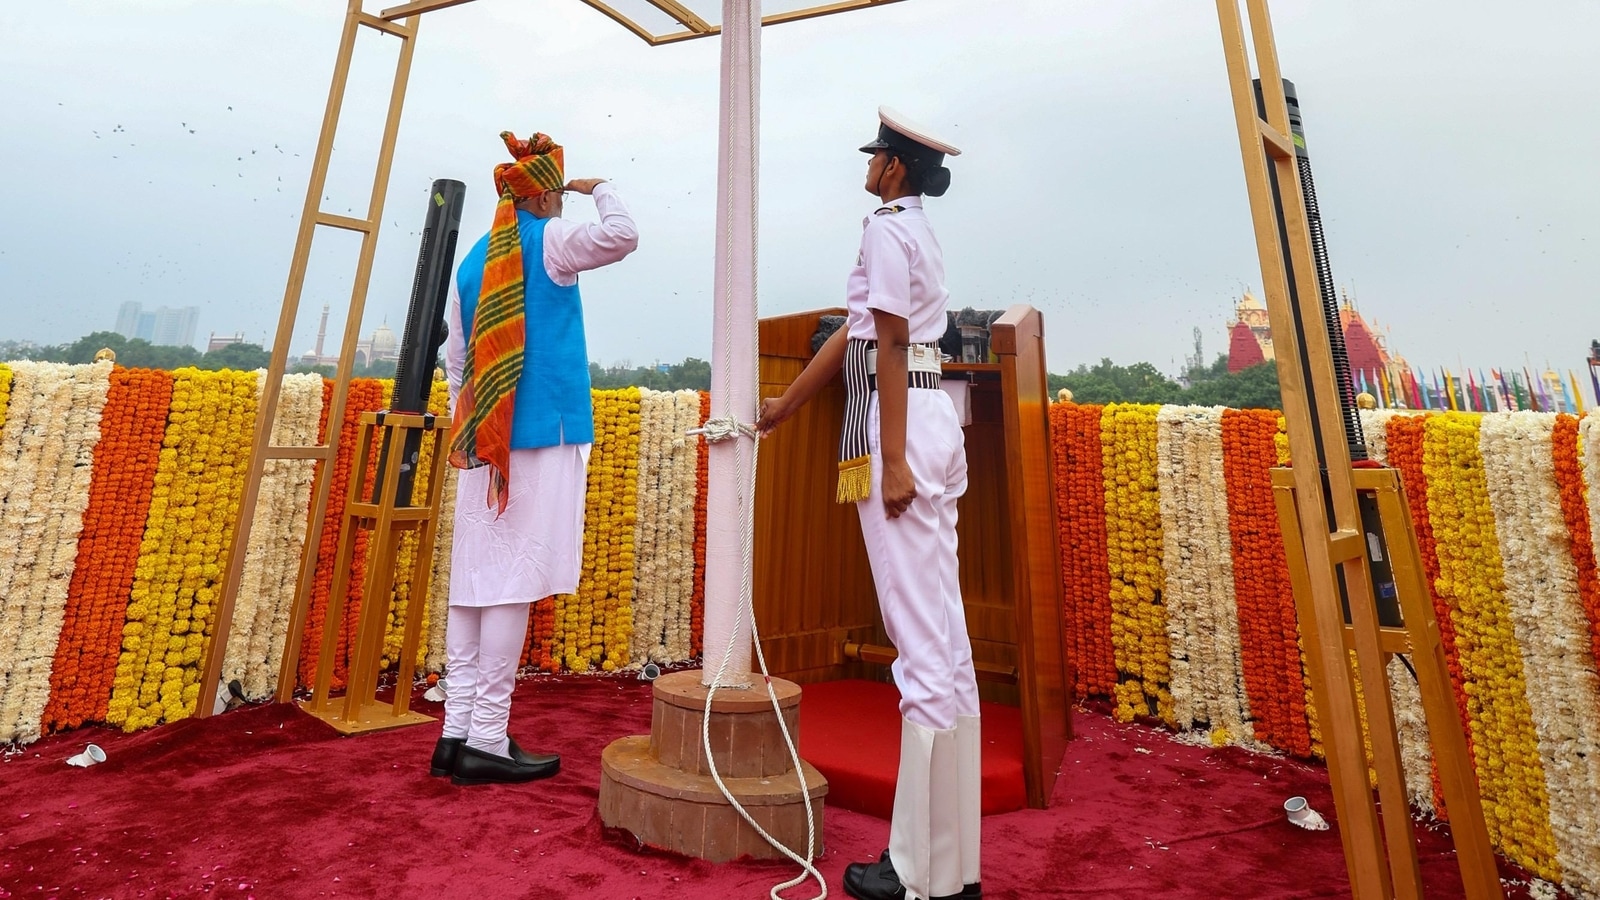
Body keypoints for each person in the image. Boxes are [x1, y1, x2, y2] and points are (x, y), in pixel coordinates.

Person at [757, 107, 981, 900]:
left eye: (877, 154)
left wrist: (888, 464)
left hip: (899, 435)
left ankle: (919, 875)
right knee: (944, 641)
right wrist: (783, 407)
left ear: (894, 168)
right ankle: (952, 866)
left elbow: (885, 342)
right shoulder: (912, 228)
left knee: (922, 649)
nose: (870, 163)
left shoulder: (885, 228)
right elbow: (855, 335)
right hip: (918, 423)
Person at [432, 131, 639, 786]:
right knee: (512, 582)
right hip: (541, 432)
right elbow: (624, 234)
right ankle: (488, 736)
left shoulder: (472, 259)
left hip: (481, 440)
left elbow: (457, 362)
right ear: (546, 192)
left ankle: (456, 734)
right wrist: (597, 188)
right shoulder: (549, 240)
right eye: (558, 190)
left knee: (473, 585)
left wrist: (477, 424)